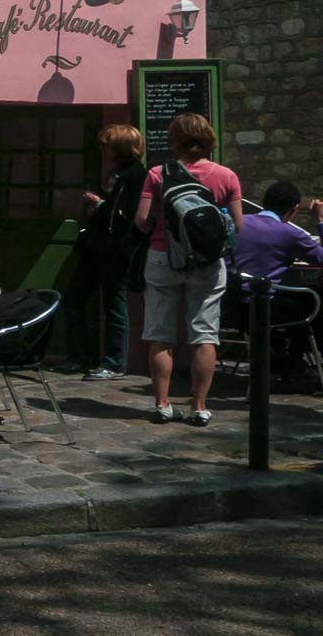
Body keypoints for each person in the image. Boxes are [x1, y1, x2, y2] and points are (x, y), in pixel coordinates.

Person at [133, 112, 242, 426]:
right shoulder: (226, 176)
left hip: (163, 257)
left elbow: (141, 221)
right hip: (206, 262)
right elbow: (237, 225)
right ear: (209, 139)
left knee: (160, 333)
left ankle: (163, 404)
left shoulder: (157, 173)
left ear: (174, 141)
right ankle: (199, 406)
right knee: (204, 334)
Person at [65, 124, 148, 380]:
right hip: (97, 248)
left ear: (118, 148)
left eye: (106, 145)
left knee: (114, 305)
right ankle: (80, 357)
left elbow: (125, 217)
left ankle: (114, 362)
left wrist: (99, 205)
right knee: (75, 298)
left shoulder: (134, 176)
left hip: (116, 251)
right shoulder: (118, 174)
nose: (102, 150)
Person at [227, 180, 323, 382]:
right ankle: (297, 365)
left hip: (230, 306)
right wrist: (320, 220)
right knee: (316, 300)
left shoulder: (236, 223)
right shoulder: (290, 234)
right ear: (294, 209)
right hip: (265, 308)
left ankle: (283, 359)